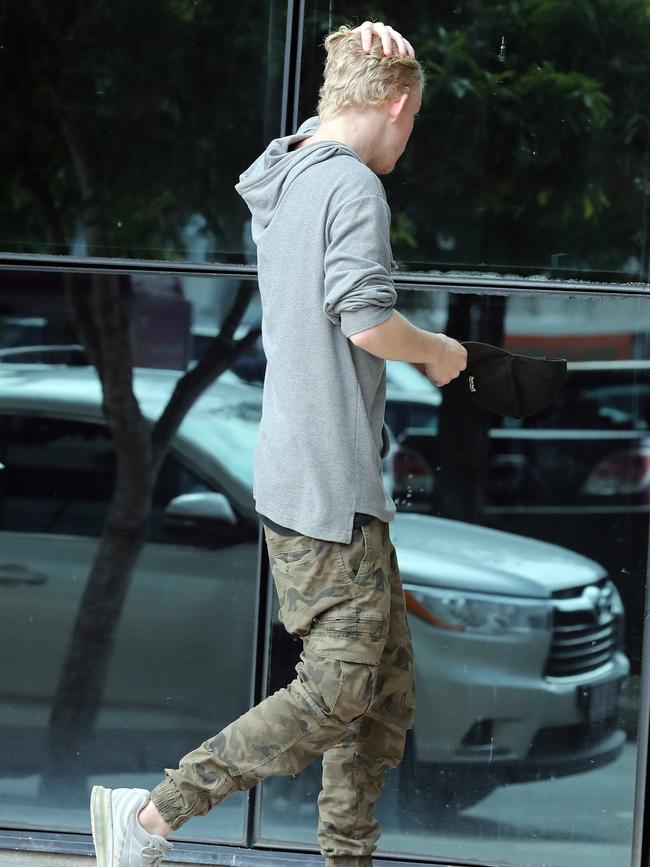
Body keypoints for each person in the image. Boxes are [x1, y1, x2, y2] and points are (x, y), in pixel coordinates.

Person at [90, 20, 467, 867]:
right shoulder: (354, 188)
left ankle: (346, 856)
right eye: (412, 121)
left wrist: (355, 56)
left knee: (381, 696)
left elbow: (303, 137)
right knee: (338, 691)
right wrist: (443, 353)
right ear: (401, 107)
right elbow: (366, 320)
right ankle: (152, 814)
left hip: (313, 477)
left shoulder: (288, 173)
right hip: (328, 486)